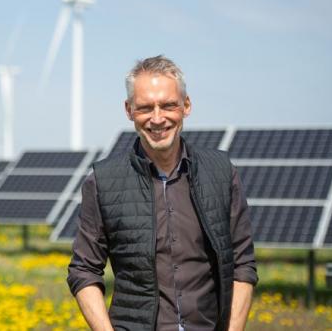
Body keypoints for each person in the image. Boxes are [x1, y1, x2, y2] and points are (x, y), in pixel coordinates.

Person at [67, 56, 257, 331]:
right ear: (129, 110)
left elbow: (243, 263)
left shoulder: (221, 173)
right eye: (145, 108)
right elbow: (83, 271)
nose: (158, 118)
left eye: (168, 105)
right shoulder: (103, 181)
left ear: (186, 105)